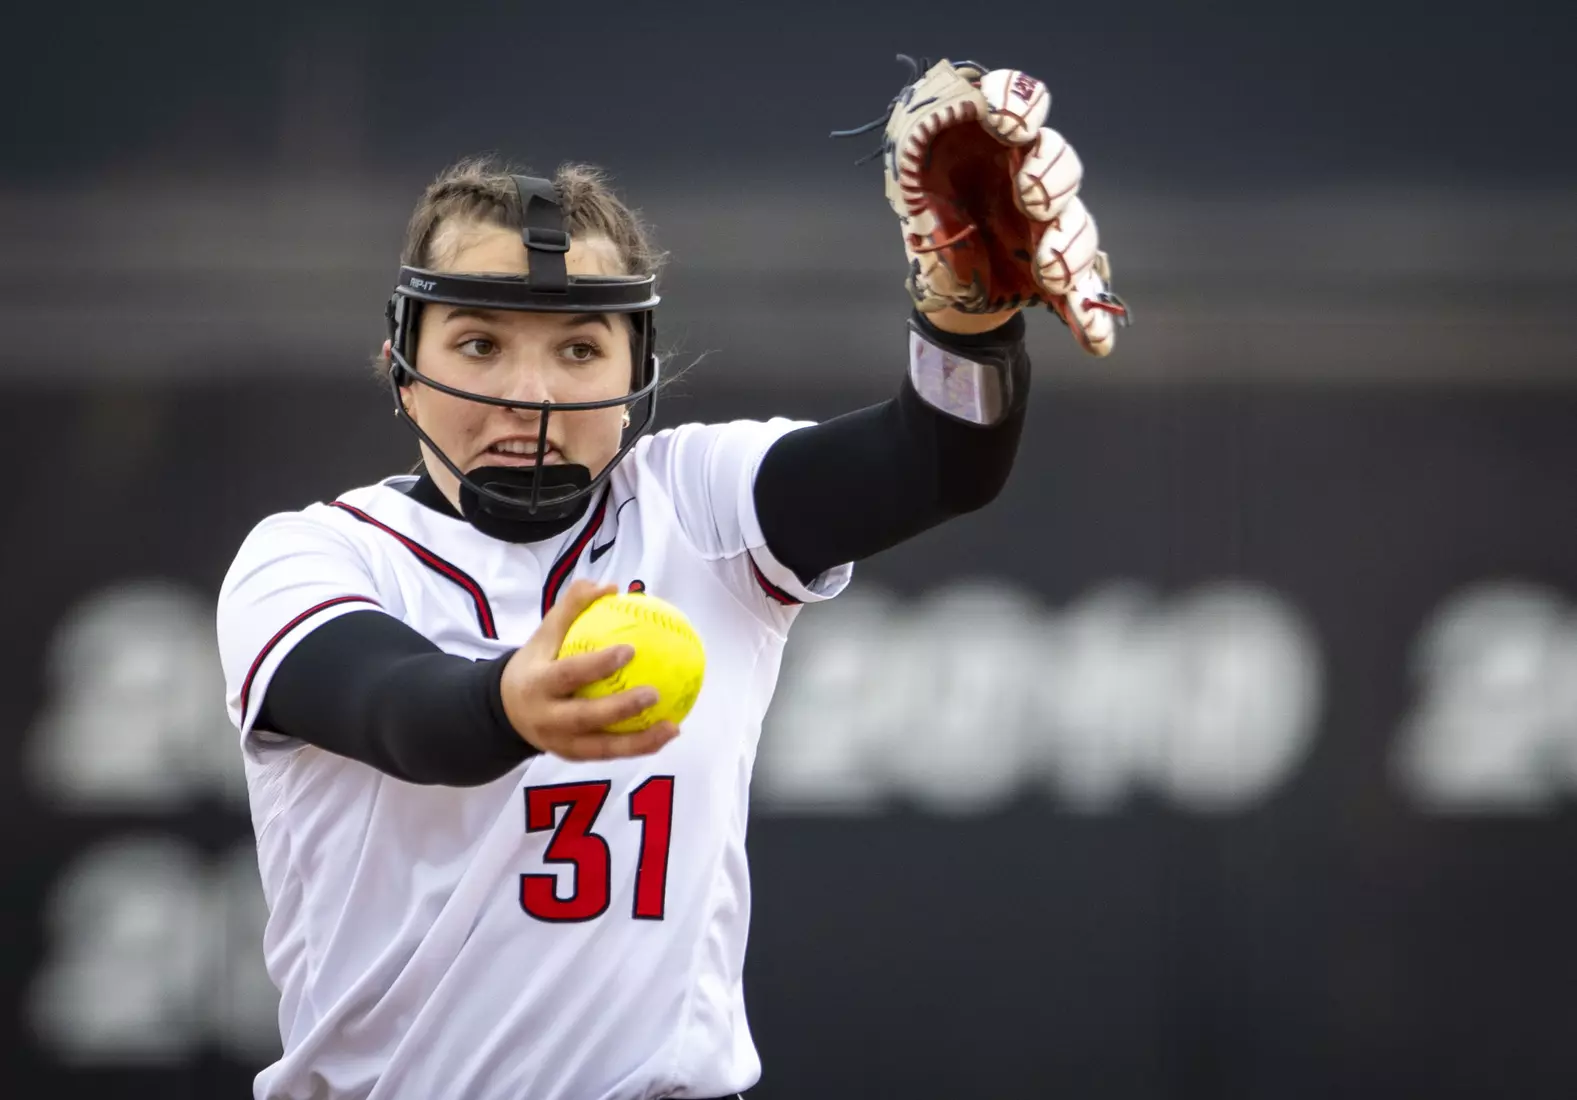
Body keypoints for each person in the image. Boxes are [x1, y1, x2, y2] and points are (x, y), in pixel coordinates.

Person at [218, 60, 1122, 1100]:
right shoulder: (311, 555)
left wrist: (964, 318)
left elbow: (939, 458)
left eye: (578, 346)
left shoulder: (688, 502)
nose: (528, 390)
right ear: (398, 360)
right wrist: (506, 699)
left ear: (636, 365)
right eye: (478, 341)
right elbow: (398, 711)